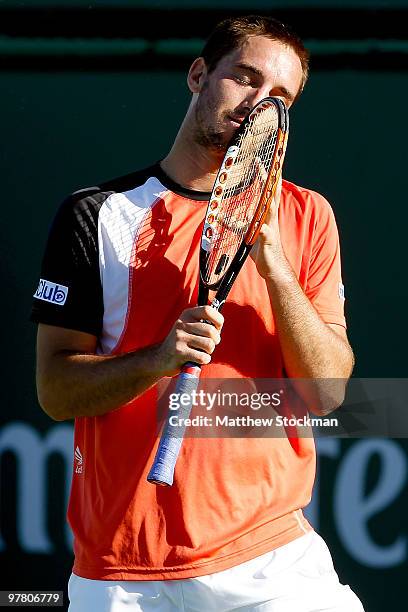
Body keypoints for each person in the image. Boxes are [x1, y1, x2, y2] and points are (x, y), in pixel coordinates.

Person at [31, 14, 365, 612]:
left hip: (271, 566)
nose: (260, 106)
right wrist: (157, 360)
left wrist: (275, 267)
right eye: (245, 78)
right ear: (198, 74)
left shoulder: (309, 216)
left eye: (281, 100)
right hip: (120, 575)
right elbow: (56, 390)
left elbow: (329, 392)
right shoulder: (94, 215)